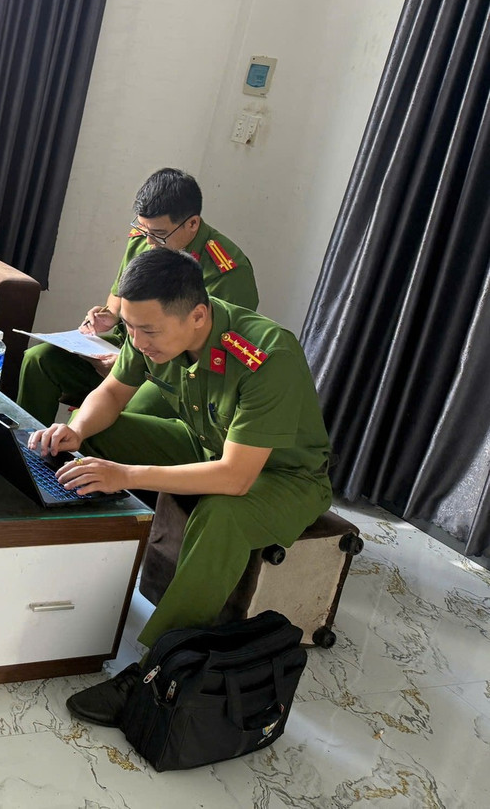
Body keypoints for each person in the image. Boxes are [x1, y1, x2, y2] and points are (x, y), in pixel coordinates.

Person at [28, 247, 331, 727]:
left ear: (198, 316)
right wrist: (77, 430)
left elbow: (235, 477)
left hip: (285, 477)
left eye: (148, 331)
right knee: (98, 434)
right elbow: (112, 392)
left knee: (222, 514)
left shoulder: (267, 357)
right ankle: (61, 559)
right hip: (207, 445)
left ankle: (153, 672)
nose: (138, 341)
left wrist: (126, 474)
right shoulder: (148, 326)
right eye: (131, 329)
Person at [16, 168, 259, 425]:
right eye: (143, 229)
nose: (149, 241)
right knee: (39, 360)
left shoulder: (228, 272)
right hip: (128, 348)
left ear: (192, 224)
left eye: (159, 234)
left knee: (124, 416)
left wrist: (132, 365)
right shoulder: (146, 237)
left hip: (179, 373)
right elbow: (118, 297)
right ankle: (24, 445)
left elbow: (210, 352)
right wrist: (109, 316)